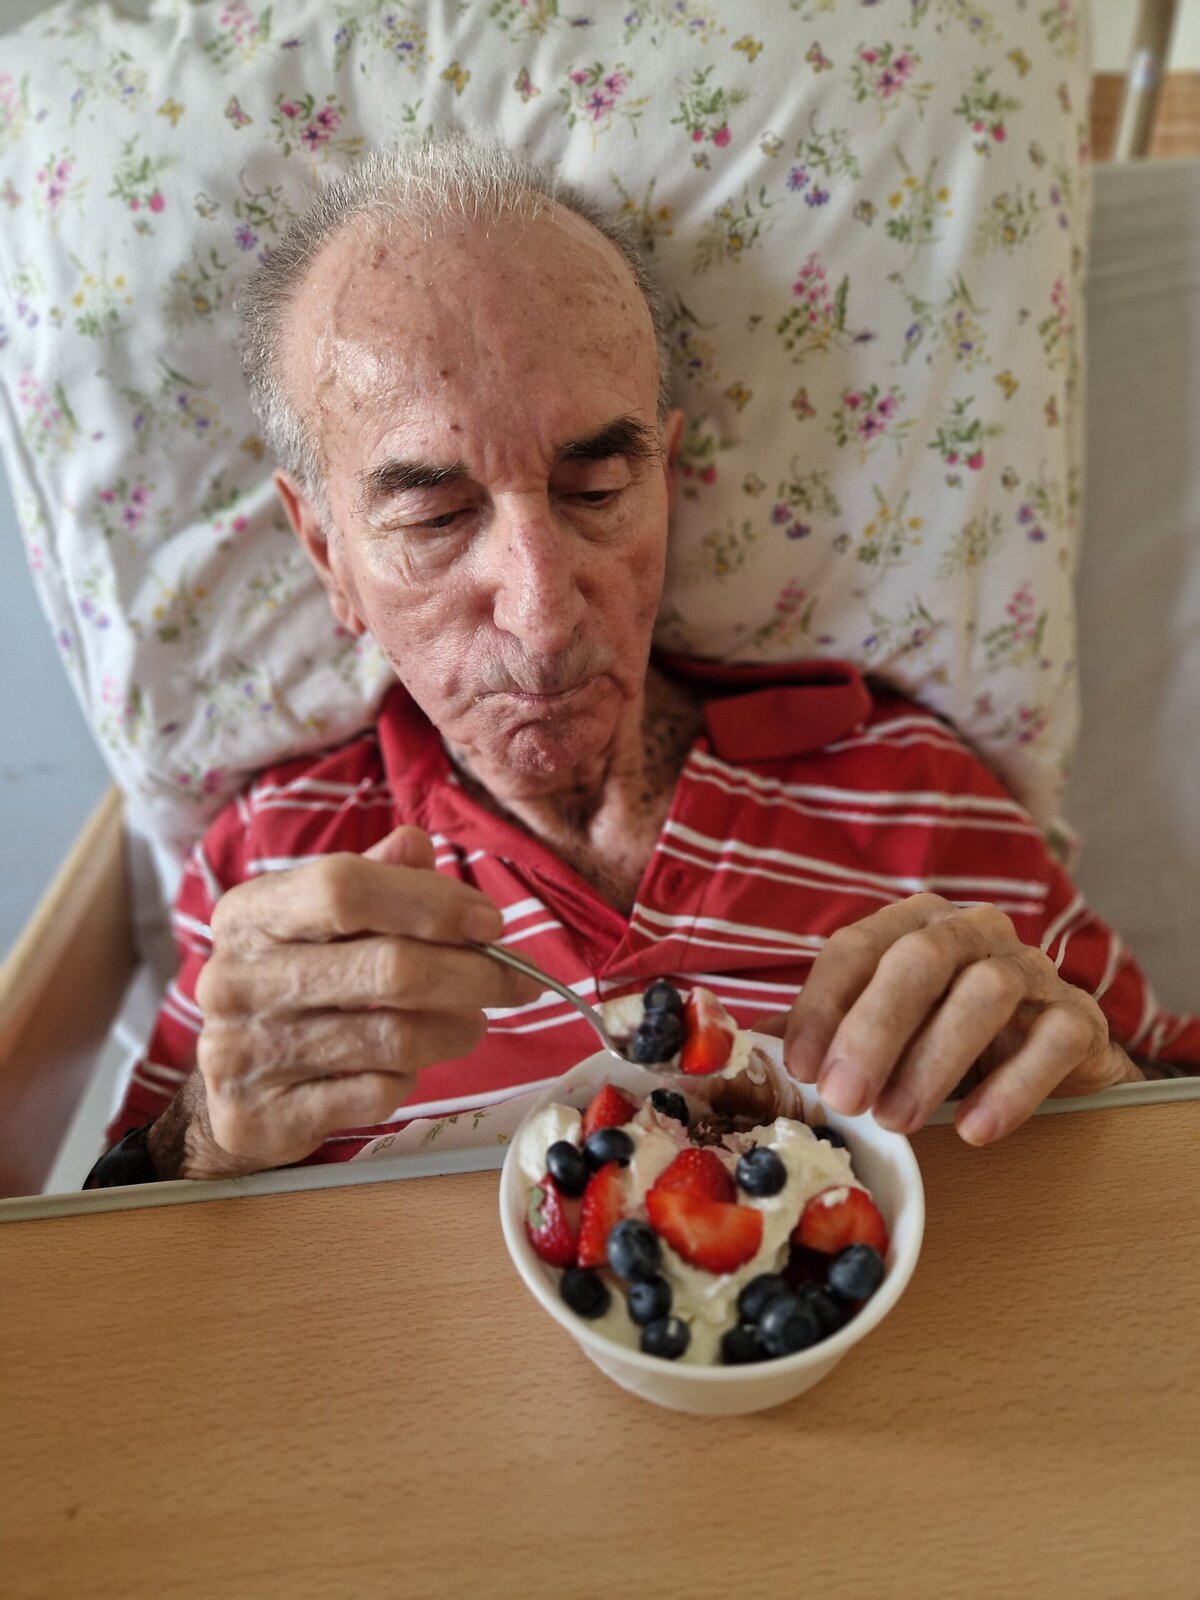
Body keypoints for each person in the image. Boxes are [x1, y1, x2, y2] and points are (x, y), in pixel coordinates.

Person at [90, 140, 1198, 1187]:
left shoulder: (908, 790)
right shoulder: (272, 865)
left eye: (597, 491)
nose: (542, 618)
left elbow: (1167, 1112)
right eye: (433, 517)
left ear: (666, 481)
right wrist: (203, 1134)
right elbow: (96, 1265)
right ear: (328, 550)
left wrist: (1104, 1081)